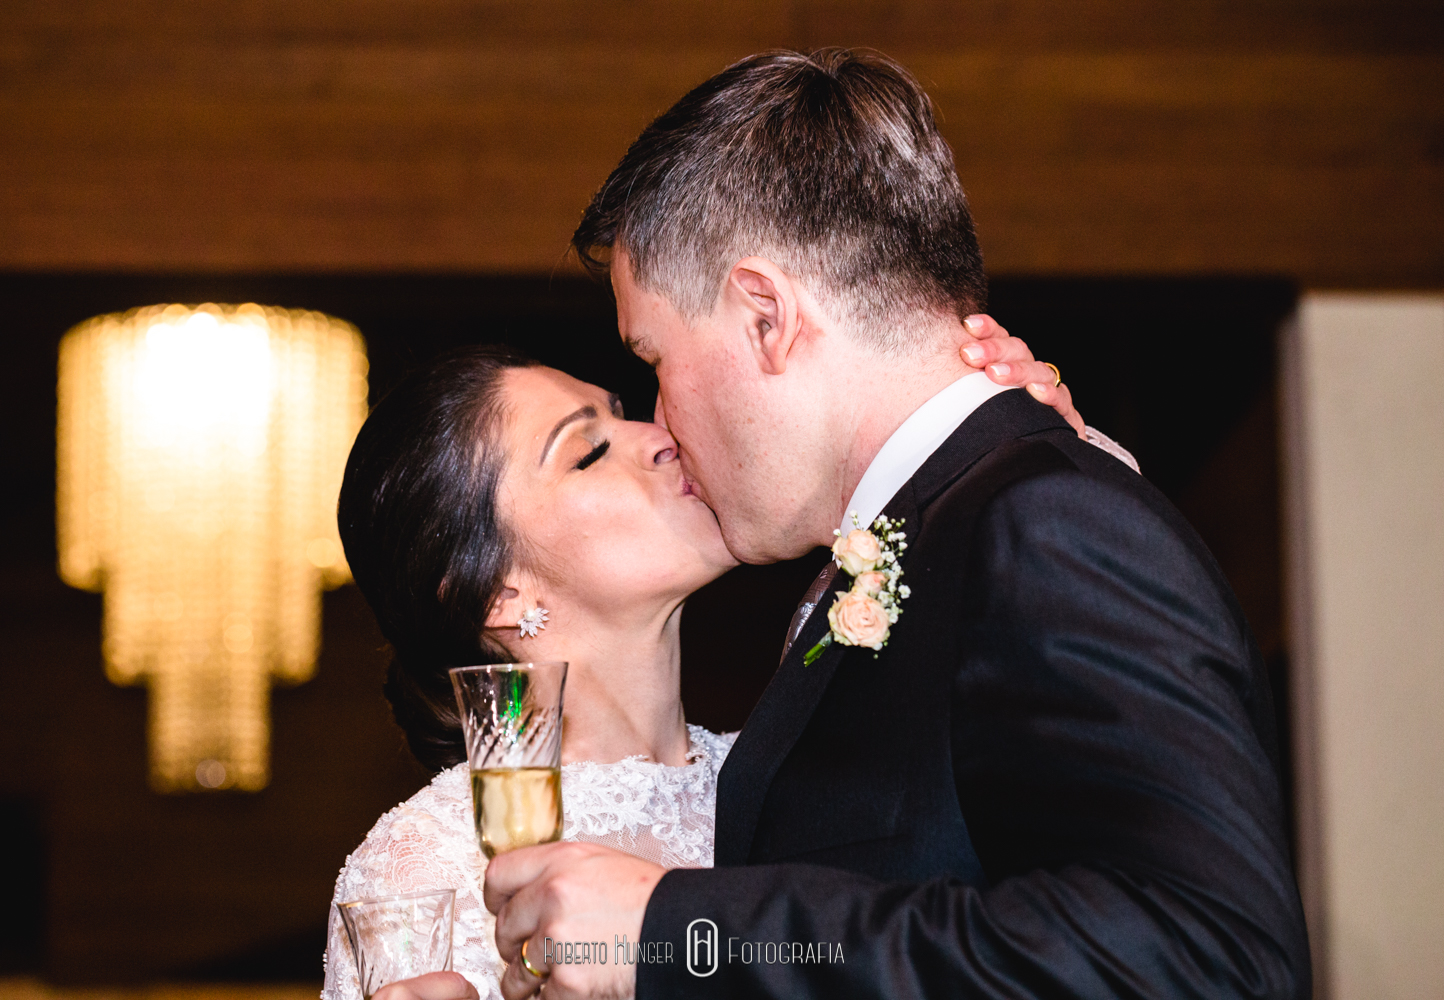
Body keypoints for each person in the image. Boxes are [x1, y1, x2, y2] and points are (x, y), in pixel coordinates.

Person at [474, 48, 1310, 1000]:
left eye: (655, 358)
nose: (662, 420)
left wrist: (681, 932)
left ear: (765, 316)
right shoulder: (942, 535)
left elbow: (1212, 957)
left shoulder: (1045, 525)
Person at [322, 323, 1124, 999]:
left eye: (625, 414)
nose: (660, 438)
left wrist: (1046, 464)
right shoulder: (427, 867)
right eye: (588, 451)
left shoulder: (814, 772)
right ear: (499, 592)